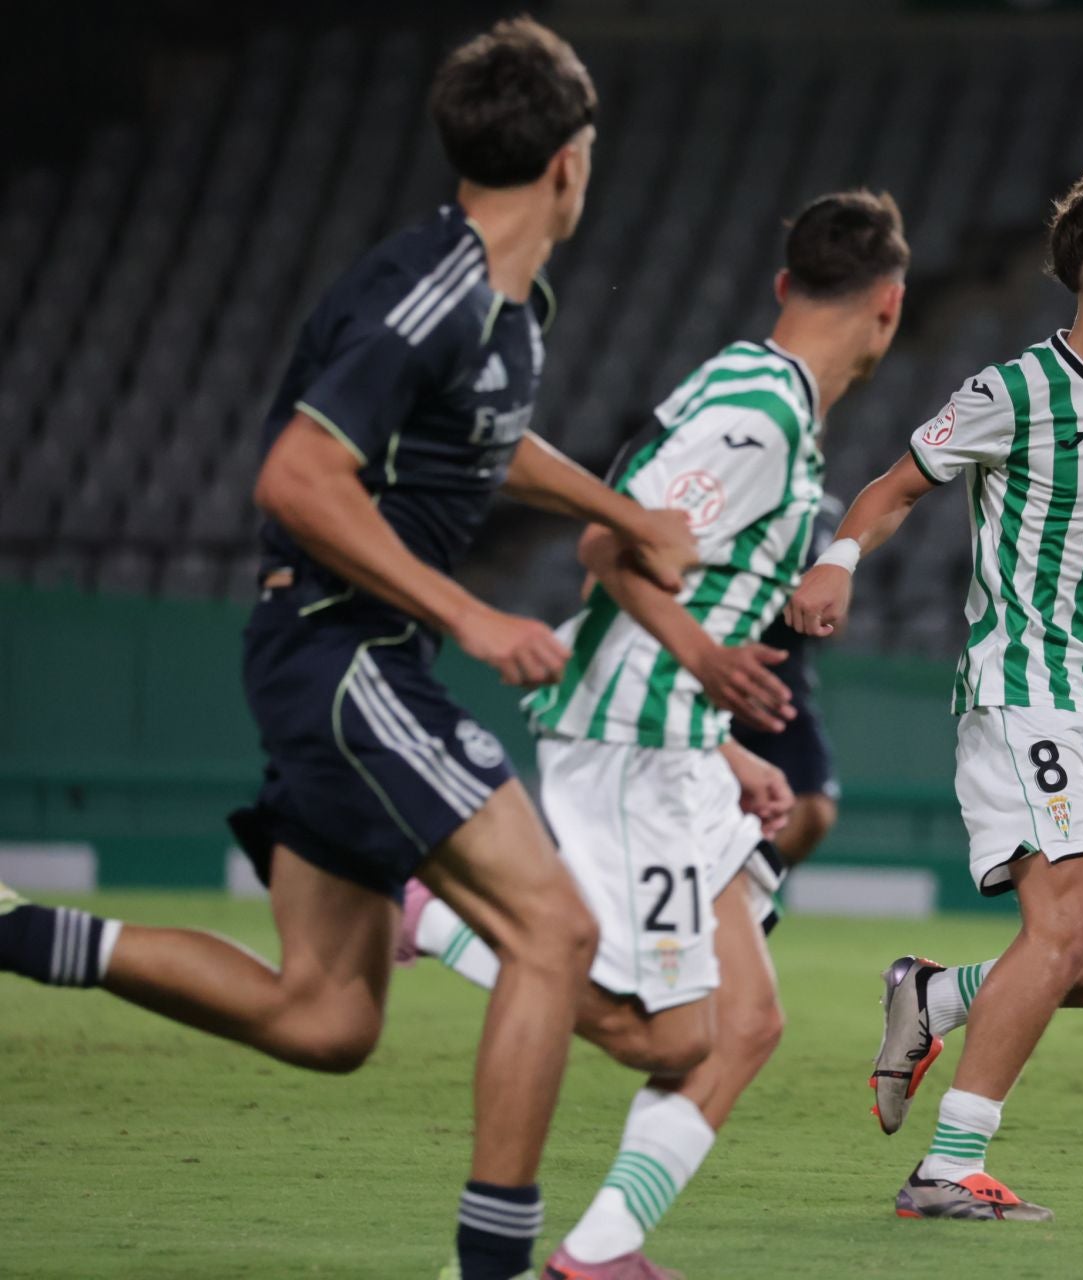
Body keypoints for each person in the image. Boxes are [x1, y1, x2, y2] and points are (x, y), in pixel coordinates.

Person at [0, 20, 698, 1280]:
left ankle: (13, 932)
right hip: (344, 652)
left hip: (343, 659)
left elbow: (492, 442)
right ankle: (497, 1269)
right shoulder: (428, 289)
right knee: (553, 932)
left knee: (324, 1016)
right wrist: (474, 614)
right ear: (571, 163)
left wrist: (621, 510)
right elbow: (298, 474)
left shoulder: (509, 304)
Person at [399, 190, 910, 1278]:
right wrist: (706, 666)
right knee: (672, 1034)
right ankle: (444, 915)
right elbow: (605, 547)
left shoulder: (768, 402)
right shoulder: (759, 416)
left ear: (785, 286)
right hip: (629, 741)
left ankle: (599, 1252)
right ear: (890, 307)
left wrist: (728, 742)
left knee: (752, 1019)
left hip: (677, 738)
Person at [784, 169, 1083, 1222]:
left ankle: (938, 994)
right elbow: (894, 485)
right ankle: (948, 1166)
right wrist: (837, 562)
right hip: (1021, 694)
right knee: (1066, 921)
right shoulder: (1014, 393)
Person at [729, 491, 849, 866]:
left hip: (782, 688)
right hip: (713, 676)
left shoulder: (823, 512)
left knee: (810, 811)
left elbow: (833, 619)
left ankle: (744, 902)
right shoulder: (732, 493)